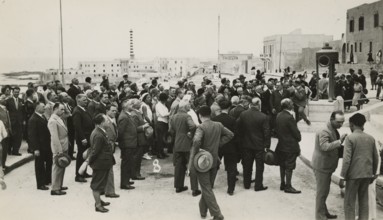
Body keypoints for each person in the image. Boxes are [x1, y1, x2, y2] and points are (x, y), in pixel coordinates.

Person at [187, 106, 233, 220]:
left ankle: (217, 214)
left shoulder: (201, 127)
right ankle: (203, 210)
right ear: (210, 114)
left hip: (202, 162)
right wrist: (218, 144)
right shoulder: (218, 125)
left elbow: (197, 141)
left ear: (200, 116)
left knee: (206, 188)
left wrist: (198, 153)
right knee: (208, 187)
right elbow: (230, 134)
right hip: (214, 160)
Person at [341, 113, 379, 220]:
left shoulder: (350, 138)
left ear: (351, 124)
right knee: (363, 202)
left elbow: (346, 160)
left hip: (353, 175)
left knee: (349, 203)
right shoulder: (370, 138)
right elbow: (375, 158)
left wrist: (343, 176)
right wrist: (374, 174)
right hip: (367, 174)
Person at [312, 111, 347, 220]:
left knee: (324, 191)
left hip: (326, 166)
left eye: (342, 122)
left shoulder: (332, 129)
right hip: (322, 166)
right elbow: (325, 147)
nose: (341, 125)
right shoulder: (324, 130)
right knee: (322, 193)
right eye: (338, 122)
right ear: (332, 119)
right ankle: (320, 217)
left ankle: (324, 212)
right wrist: (339, 142)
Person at [237, 97, 270, 191]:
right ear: (259, 104)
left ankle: (246, 184)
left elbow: (238, 128)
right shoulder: (263, 116)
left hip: (246, 144)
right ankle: (258, 185)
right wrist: (267, 145)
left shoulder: (243, 114)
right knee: (259, 166)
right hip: (259, 145)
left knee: (247, 165)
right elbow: (267, 132)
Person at [169, 100, 200, 195]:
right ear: (184, 107)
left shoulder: (173, 117)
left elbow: (171, 130)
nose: (190, 106)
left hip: (177, 143)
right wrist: (190, 133)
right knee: (191, 165)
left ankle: (178, 186)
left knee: (179, 165)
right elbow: (193, 126)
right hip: (187, 142)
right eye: (188, 105)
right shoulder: (187, 116)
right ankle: (194, 189)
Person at [89, 114, 115, 213]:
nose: (108, 122)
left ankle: (99, 201)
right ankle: (98, 205)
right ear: (101, 123)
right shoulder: (98, 135)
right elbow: (95, 151)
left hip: (103, 162)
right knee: (97, 184)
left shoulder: (100, 131)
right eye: (106, 120)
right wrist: (90, 162)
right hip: (100, 163)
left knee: (101, 183)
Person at [275, 98, 302, 194]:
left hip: (281, 145)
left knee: (282, 165)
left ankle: (282, 183)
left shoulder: (278, 115)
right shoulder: (290, 117)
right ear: (288, 105)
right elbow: (296, 133)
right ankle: (288, 186)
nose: (293, 105)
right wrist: (299, 138)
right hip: (290, 146)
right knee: (289, 166)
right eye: (291, 103)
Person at [212, 99, 239, 195]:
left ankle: (211, 184)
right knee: (231, 168)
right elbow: (235, 135)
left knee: (214, 165)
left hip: (217, 146)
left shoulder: (215, 119)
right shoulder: (233, 120)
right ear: (229, 107)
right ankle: (230, 189)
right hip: (230, 146)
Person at [29, 102, 53, 190]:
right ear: (37, 107)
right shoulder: (33, 119)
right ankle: (40, 184)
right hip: (40, 146)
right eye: (43, 107)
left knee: (49, 162)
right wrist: (35, 149)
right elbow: (32, 136)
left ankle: (47, 179)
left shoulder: (42, 116)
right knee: (40, 165)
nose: (44, 108)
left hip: (46, 145)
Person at [47, 103, 69, 196]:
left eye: (64, 109)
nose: (63, 111)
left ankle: (59, 185)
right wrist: (59, 150)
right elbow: (54, 137)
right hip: (58, 147)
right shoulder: (52, 120)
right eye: (61, 109)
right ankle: (55, 188)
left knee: (62, 166)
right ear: (55, 109)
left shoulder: (59, 117)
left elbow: (68, 114)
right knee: (57, 167)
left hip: (64, 145)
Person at [72, 94, 94, 183]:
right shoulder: (77, 111)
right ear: (78, 101)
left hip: (88, 136)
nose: (86, 101)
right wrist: (82, 138)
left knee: (86, 156)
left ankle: (84, 172)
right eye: (84, 100)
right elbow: (77, 126)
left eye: (86, 100)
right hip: (83, 137)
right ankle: (78, 175)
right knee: (81, 156)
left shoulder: (84, 109)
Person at [103, 105, 120, 198]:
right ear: (107, 111)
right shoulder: (105, 120)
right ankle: (109, 191)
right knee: (109, 170)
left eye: (115, 111)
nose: (115, 112)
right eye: (112, 110)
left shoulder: (112, 120)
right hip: (107, 147)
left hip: (111, 146)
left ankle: (104, 189)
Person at [6, 86, 24, 156]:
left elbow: (23, 111)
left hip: (19, 121)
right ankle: (9, 150)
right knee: (11, 136)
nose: (16, 93)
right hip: (11, 121)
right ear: (12, 92)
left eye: (18, 92)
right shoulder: (8, 101)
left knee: (18, 136)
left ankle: (16, 151)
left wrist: (23, 120)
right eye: (15, 92)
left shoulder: (21, 100)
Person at [155, 93, 170, 159]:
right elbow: (163, 114)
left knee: (163, 138)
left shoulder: (163, 105)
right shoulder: (158, 105)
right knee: (160, 139)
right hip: (161, 122)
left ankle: (162, 152)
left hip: (165, 122)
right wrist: (170, 113)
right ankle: (159, 153)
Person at [0, 95, 11, 169]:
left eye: (5, 98)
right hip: (1, 132)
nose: (5, 100)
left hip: (7, 131)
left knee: (5, 149)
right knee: (2, 149)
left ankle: (3, 164)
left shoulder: (6, 108)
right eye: (3, 98)